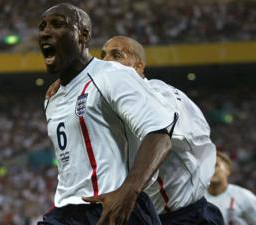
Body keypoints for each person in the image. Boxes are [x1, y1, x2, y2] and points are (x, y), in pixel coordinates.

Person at [46, 36, 224, 225]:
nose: (106, 61)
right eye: (103, 55)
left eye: (116, 55)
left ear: (138, 67)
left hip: (185, 216)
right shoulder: (111, 97)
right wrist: (74, 84)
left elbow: (161, 135)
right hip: (143, 213)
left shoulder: (157, 92)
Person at [38, 3, 178, 225]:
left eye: (57, 24)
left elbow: (160, 135)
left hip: (114, 207)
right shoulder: (53, 97)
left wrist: (129, 191)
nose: (45, 31)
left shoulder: (113, 76)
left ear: (83, 35)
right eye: (42, 26)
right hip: (66, 212)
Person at [206, 151, 256, 225]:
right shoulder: (196, 199)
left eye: (216, 165)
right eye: (208, 166)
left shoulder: (244, 197)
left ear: (227, 170)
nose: (211, 169)